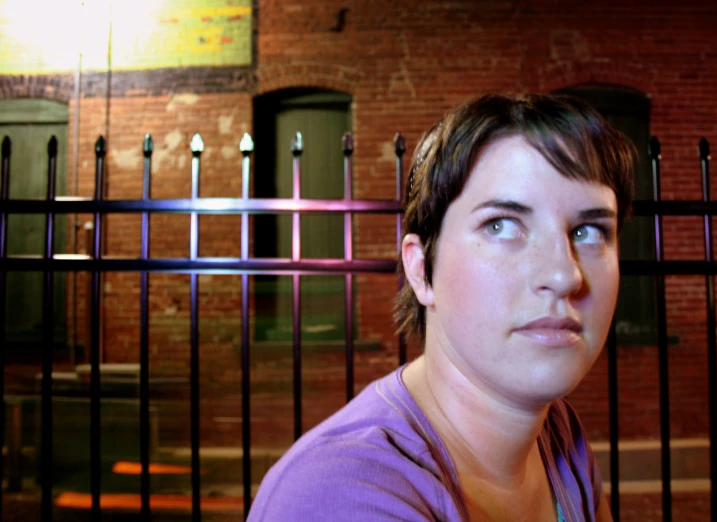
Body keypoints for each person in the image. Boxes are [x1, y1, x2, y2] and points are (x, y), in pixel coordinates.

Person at [247, 93, 635, 521]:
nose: (565, 275)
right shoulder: (340, 496)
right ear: (420, 270)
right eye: (501, 225)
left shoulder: (560, 439)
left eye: (589, 231)